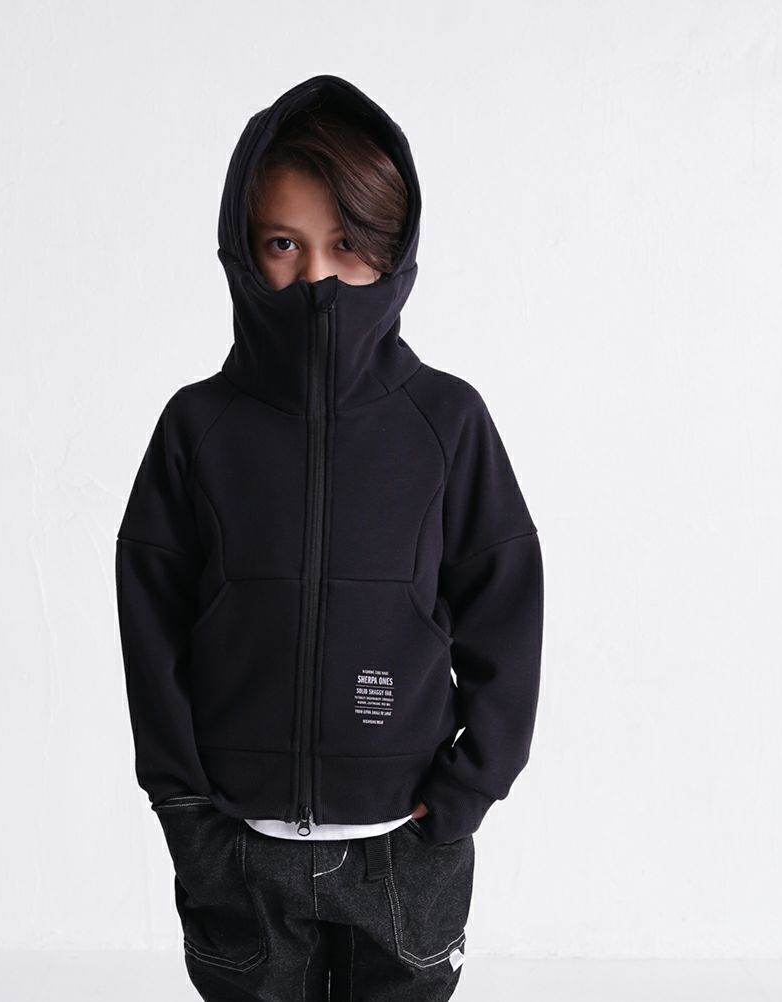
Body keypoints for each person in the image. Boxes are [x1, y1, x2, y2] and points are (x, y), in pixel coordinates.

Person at [115, 73, 544, 1001]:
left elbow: (505, 616)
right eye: (284, 243)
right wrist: (185, 807)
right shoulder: (197, 429)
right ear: (241, 250)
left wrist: (463, 796)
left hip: (404, 852)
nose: (316, 278)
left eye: (347, 245)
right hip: (239, 849)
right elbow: (152, 630)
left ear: (392, 251)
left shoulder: (447, 423)